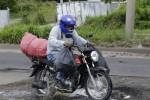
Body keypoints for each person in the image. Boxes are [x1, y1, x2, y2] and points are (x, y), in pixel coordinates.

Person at [47, 15, 87, 87]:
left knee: (77, 61)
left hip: (66, 52)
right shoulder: (56, 29)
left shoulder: (72, 31)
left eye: (72, 26)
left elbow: (77, 38)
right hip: (54, 53)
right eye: (68, 26)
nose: (70, 28)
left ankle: (72, 79)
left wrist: (86, 43)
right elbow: (51, 41)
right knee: (65, 63)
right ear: (63, 25)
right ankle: (59, 78)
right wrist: (63, 43)